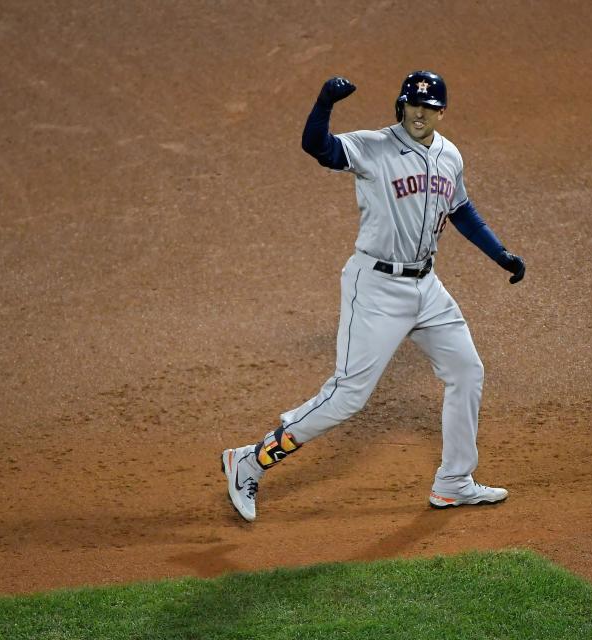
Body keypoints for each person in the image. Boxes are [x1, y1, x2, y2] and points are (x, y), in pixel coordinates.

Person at [221, 71, 526, 522]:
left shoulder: (449, 155)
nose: (420, 113)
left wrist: (499, 254)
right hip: (377, 287)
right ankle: (250, 459)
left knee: (466, 370)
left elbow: (461, 210)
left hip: (427, 286)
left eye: (430, 107)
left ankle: (454, 482)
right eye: (413, 104)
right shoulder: (373, 147)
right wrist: (325, 102)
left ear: (442, 111)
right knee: (348, 397)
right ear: (401, 105)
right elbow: (318, 147)